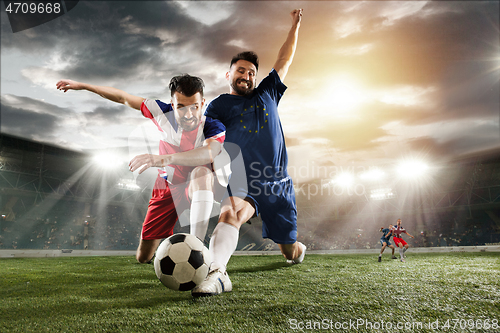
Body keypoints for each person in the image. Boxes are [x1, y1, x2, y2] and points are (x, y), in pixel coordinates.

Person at [191, 9, 304, 297]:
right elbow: (213, 140)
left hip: (278, 183)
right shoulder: (218, 107)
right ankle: (218, 275)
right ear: (229, 74)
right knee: (230, 214)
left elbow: (285, 59)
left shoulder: (268, 93)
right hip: (245, 180)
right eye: (241, 70)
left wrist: (295, 26)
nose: (247, 75)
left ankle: (297, 248)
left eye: (251, 72)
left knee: (289, 252)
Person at [56, 75, 226, 263]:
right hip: (166, 188)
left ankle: (197, 250)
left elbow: (209, 153)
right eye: (181, 107)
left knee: (201, 173)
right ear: (172, 104)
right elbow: (123, 97)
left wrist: (163, 159)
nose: (188, 114)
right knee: (143, 257)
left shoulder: (212, 126)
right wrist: (84, 85)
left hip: (196, 185)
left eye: (194, 107)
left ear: (202, 103)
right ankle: (169, 251)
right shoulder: (162, 112)